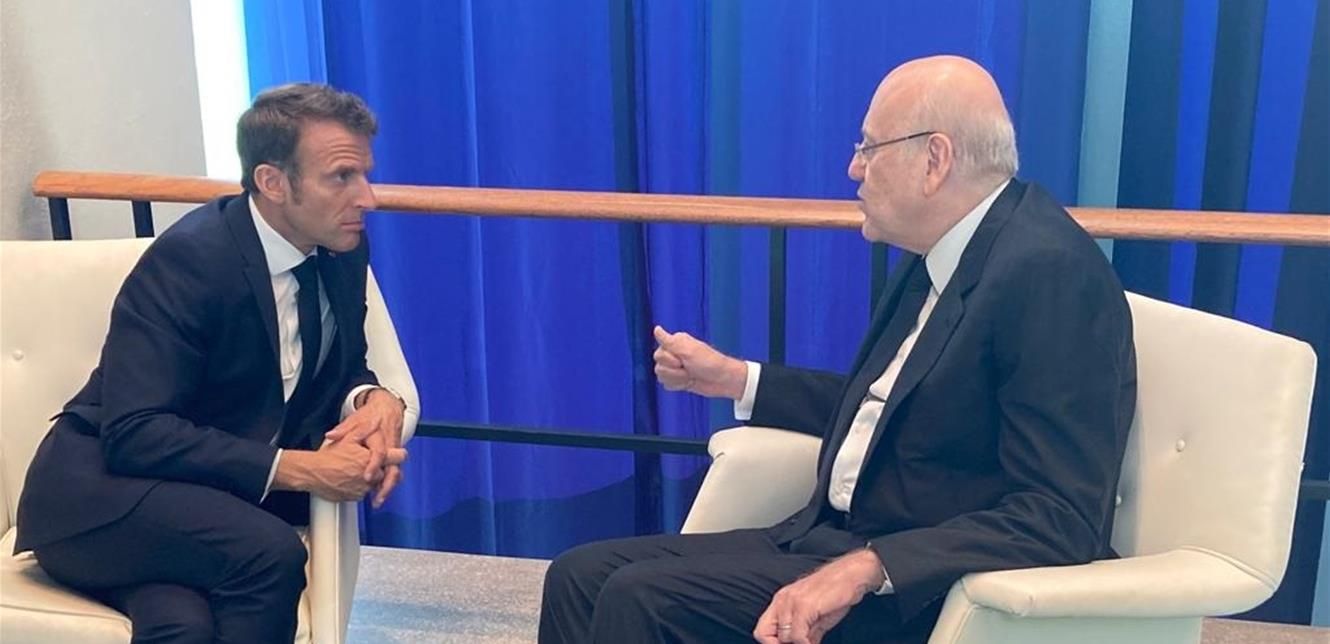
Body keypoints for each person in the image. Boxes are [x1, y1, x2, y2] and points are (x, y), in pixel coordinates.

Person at [538, 55, 1137, 644]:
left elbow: (1061, 514)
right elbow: (891, 411)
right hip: (832, 537)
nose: (853, 168)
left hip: (923, 586)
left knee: (641, 597)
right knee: (579, 575)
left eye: (869, 148)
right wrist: (737, 379)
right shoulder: (945, 253)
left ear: (934, 160)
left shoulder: (1051, 275)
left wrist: (871, 566)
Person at [15, 83, 413, 644]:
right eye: (341, 177)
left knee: (181, 626)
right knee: (268, 553)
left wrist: (373, 399)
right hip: (98, 497)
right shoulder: (192, 261)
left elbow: (344, 364)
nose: (367, 198)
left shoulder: (340, 248)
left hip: (200, 503)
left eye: (365, 174)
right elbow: (135, 432)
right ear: (273, 182)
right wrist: (301, 468)